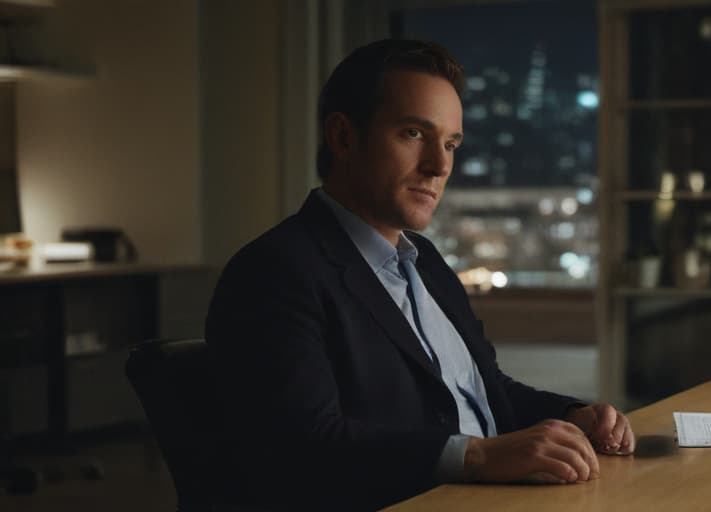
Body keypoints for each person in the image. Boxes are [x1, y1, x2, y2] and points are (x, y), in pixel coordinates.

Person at [204, 38, 634, 512]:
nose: (440, 165)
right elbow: (302, 445)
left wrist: (572, 415)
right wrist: (476, 456)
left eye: (450, 143)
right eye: (414, 134)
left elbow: (486, 392)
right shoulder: (275, 271)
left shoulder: (424, 261)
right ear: (343, 137)